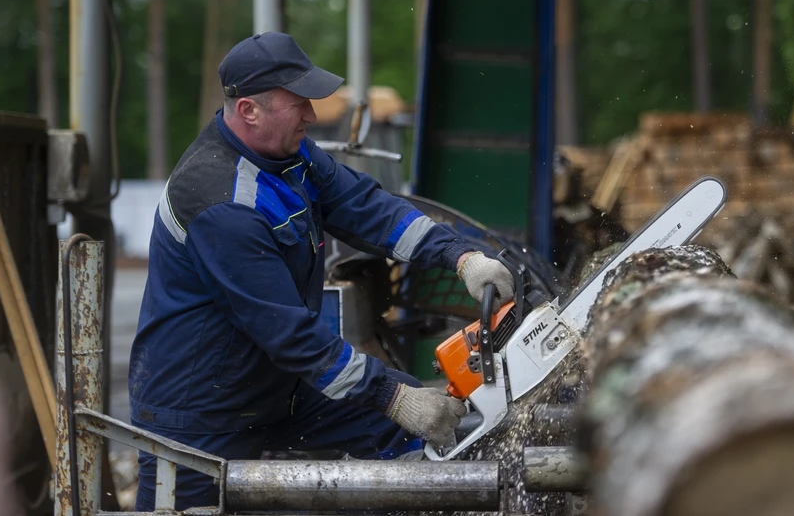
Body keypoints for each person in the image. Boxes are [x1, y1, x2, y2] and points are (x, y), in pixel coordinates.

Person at [129, 32, 516, 510]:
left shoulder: (291, 156)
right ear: (250, 110)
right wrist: (393, 397)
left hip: (278, 390)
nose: (311, 116)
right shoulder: (221, 203)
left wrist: (461, 256)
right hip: (202, 415)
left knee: (417, 427)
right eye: (299, 104)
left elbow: (365, 206)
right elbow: (289, 334)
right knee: (401, 407)